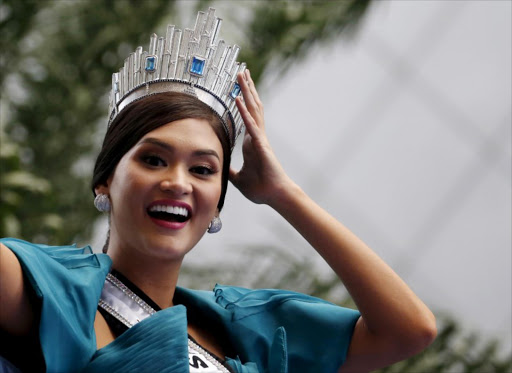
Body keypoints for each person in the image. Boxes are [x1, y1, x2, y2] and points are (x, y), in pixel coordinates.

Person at [0, 7, 436, 373]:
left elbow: (409, 330)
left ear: (216, 206)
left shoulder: (246, 336)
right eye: (153, 159)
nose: (177, 182)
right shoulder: (53, 290)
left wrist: (283, 195)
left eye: (203, 169)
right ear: (106, 179)